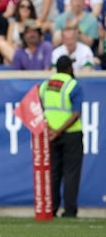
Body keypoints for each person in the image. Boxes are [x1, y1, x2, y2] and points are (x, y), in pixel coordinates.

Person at [39, 55, 84, 218]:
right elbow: (76, 114)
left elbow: (38, 108)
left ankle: (51, 209)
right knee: (71, 173)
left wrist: (52, 129)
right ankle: (70, 211)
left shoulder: (45, 85)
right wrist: (59, 130)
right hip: (71, 134)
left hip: (50, 135)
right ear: (69, 69)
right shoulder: (73, 85)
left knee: (54, 173)